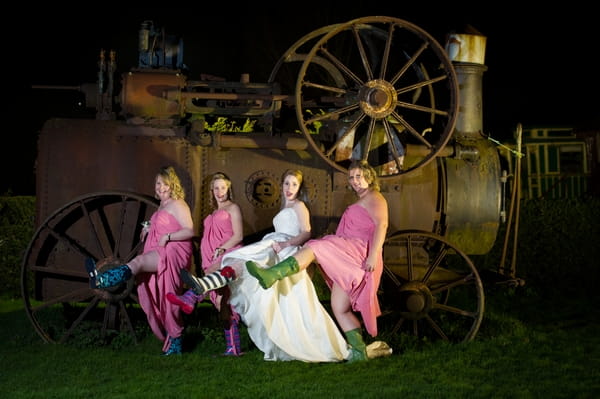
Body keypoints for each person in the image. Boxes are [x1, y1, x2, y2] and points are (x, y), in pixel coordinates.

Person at [180, 169, 350, 362]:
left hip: (285, 247)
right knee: (240, 263)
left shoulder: (299, 206)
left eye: (294, 184)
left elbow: (306, 232)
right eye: (286, 183)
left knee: (241, 259)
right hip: (276, 243)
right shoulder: (285, 207)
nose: (289, 188)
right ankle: (199, 289)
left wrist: (285, 244)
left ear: (299, 187)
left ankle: (198, 291)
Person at [246, 160, 389, 362]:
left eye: (359, 176)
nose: (355, 181)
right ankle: (359, 352)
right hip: (348, 253)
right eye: (351, 177)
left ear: (369, 177)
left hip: (360, 252)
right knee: (339, 307)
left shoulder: (375, 197)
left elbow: (381, 225)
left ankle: (272, 274)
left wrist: (373, 254)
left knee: (314, 246)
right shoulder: (361, 199)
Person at [85, 166, 194, 356]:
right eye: (158, 184)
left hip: (173, 251)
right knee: (157, 293)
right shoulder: (162, 206)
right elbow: (161, 226)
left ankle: (103, 280)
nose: (160, 188)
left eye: (164, 184)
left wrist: (167, 236)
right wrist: (149, 231)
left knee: (139, 263)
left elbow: (189, 230)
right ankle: (174, 342)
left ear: (172, 185)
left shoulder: (178, 204)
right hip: (159, 249)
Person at [166, 172, 244, 356]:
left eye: (223, 187)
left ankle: (192, 297)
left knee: (215, 293)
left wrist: (222, 249)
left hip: (229, 255)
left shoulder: (233, 208)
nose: (220, 192)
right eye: (216, 188)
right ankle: (233, 347)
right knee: (223, 304)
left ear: (229, 188)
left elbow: (238, 236)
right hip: (212, 260)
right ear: (212, 191)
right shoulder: (213, 212)